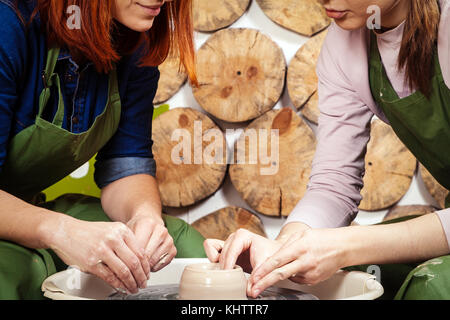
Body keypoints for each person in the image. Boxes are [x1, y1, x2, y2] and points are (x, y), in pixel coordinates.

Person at [205, 0, 450, 300]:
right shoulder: (342, 45)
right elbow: (333, 186)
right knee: (345, 274)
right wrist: (281, 254)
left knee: (431, 287)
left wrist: (344, 245)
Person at [0, 0, 205, 300]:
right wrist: (59, 232)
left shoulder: (134, 42)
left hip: (31, 207)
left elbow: (127, 164)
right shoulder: (10, 22)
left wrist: (144, 217)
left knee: (182, 245)